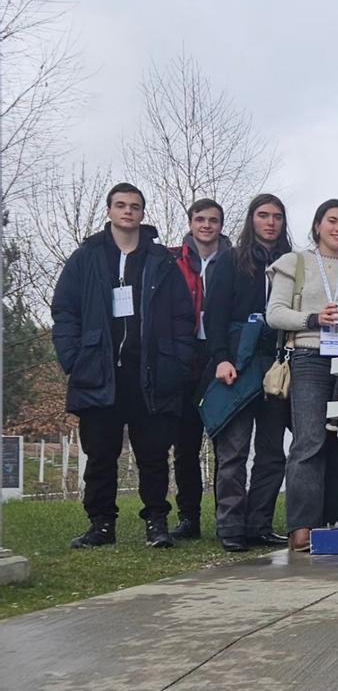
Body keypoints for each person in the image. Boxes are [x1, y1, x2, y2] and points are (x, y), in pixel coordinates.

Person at [51, 183, 195, 549]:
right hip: (99, 372)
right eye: (121, 205)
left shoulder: (161, 261)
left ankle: (157, 523)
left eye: (135, 206)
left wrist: (177, 362)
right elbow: (65, 309)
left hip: (151, 373)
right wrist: (73, 357)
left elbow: (182, 315)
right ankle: (101, 525)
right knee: (100, 454)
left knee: (153, 455)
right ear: (110, 211)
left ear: (143, 213)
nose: (128, 211)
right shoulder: (86, 257)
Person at [266, 200, 338, 552]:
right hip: (309, 357)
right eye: (332, 221)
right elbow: (274, 313)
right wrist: (313, 320)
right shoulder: (295, 263)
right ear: (317, 226)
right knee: (309, 441)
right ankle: (301, 526)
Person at [203, 193, 292, 552]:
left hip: (277, 363)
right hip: (238, 362)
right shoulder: (228, 261)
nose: (270, 222)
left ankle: (259, 523)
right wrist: (222, 358)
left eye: (277, 216)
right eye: (263, 215)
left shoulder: (292, 263)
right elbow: (215, 315)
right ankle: (231, 525)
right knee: (235, 449)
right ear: (251, 220)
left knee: (272, 450)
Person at [167, 198, 231, 540]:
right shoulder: (173, 260)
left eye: (214, 220)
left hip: (221, 354)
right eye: (200, 219)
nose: (207, 225)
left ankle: (227, 515)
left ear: (222, 225)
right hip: (185, 352)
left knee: (225, 442)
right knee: (186, 443)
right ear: (191, 222)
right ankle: (188, 517)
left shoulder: (234, 260)